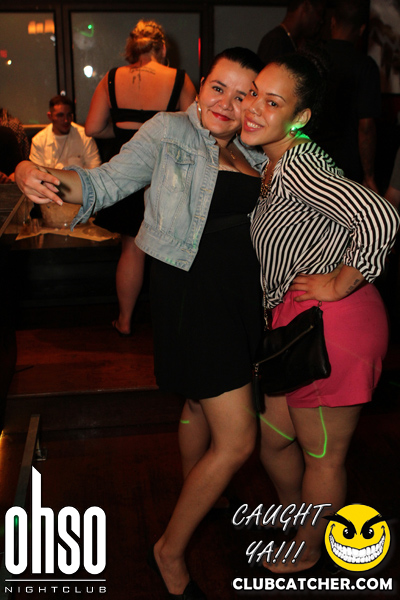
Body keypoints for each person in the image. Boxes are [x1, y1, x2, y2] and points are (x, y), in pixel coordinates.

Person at [15, 47, 265, 598]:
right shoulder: (168, 131)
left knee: (197, 403)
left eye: (243, 93)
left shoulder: (256, 144)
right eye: (218, 87)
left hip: (237, 294)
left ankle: (200, 491)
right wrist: (36, 173)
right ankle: (169, 552)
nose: (227, 103)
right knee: (238, 440)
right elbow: (101, 185)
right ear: (199, 86)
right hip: (194, 294)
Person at [240, 52, 399, 574]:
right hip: (298, 322)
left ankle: (309, 547)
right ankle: (302, 520)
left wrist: (339, 280)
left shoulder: (301, 165)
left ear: (300, 117)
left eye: (273, 102)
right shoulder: (273, 162)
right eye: (254, 93)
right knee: (273, 440)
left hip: (334, 323)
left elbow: (380, 215)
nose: (254, 107)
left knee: (323, 455)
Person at [85, 20, 196, 336]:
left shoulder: (111, 78)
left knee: (131, 248)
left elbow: (92, 128)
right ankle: (171, 324)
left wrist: (126, 135)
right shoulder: (179, 79)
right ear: (162, 47)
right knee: (167, 251)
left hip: (129, 171)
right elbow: (196, 130)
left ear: (132, 48)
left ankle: (124, 321)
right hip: (166, 172)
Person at [313, 0, 381, 191]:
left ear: (332, 21)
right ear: (361, 29)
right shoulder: (365, 66)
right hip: (346, 169)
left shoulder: (312, 58)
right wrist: (369, 175)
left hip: (308, 158)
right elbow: (366, 127)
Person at [29, 95, 101, 170]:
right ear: (50, 116)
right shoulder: (39, 141)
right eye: (60, 115)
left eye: (69, 115)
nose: (66, 120)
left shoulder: (85, 136)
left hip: (79, 178)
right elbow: (36, 173)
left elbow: (95, 169)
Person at [257, 0, 325, 65]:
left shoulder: (288, 41)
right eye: (319, 13)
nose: (321, 21)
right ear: (306, 6)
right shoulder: (276, 41)